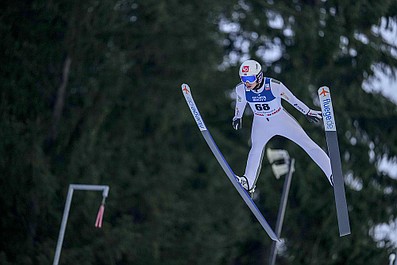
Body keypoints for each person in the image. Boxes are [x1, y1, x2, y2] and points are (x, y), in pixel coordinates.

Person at [232, 59, 333, 197]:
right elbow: (240, 103)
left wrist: (307, 112)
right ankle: (248, 182)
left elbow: (293, 100)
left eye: (250, 78)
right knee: (255, 149)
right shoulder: (241, 89)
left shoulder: (274, 86)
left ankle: (331, 173)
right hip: (261, 123)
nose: (246, 82)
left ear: (259, 76)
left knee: (307, 143)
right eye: (243, 79)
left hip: (280, 120)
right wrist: (237, 116)